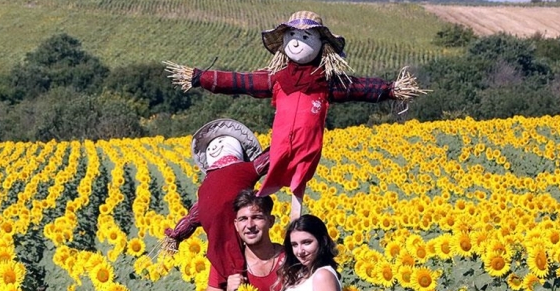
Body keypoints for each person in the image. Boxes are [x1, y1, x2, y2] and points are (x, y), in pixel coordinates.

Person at [165, 11, 425, 220]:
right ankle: (254, 218)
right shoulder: (276, 79)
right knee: (263, 182)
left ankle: (293, 224)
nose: (298, 42)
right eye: (292, 35)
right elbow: (240, 81)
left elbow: (360, 87)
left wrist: (390, 89)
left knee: (298, 186)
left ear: (322, 46)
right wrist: (202, 77)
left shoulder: (328, 82)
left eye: (305, 36)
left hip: (307, 148)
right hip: (278, 148)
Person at [164, 119, 269, 281]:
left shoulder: (204, 187)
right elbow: (268, 160)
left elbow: (192, 218)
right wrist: (287, 142)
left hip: (217, 256)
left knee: (227, 290)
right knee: (251, 287)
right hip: (248, 246)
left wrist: (176, 234)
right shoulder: (243, 170)